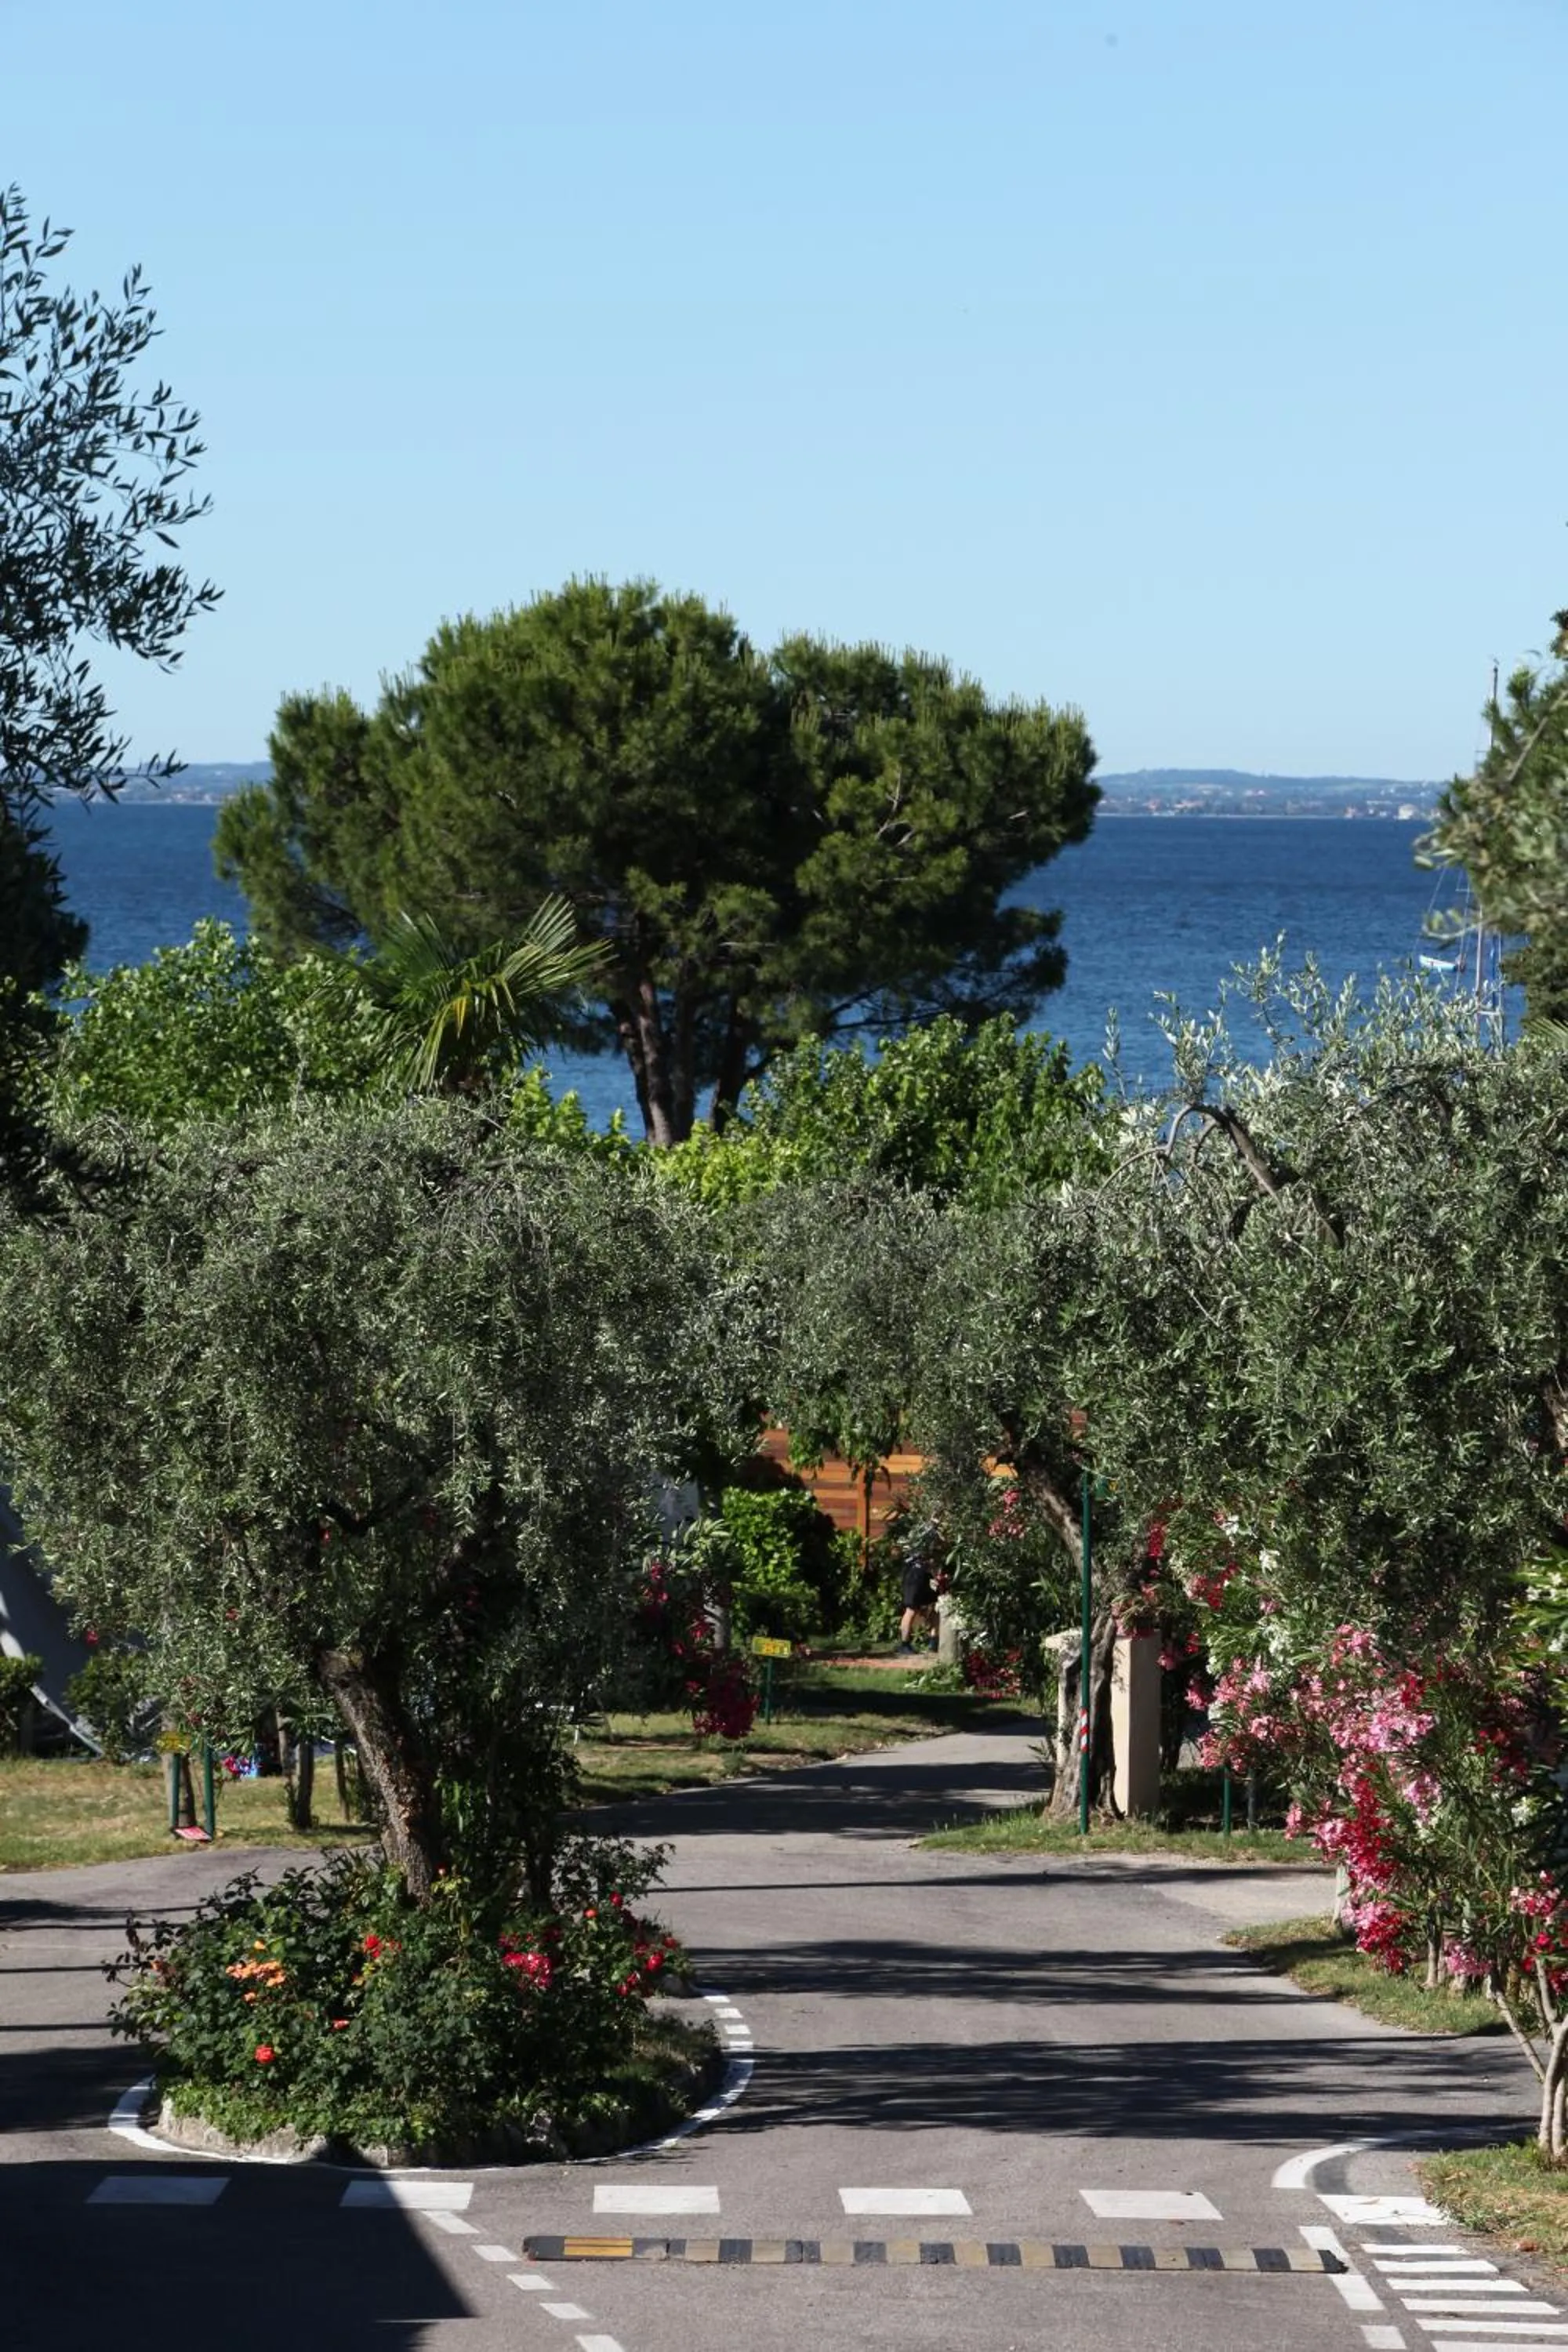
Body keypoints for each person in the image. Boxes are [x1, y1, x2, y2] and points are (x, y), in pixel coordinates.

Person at [898, 1539, 939, 1654]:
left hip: (923, 1573)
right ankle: (906, 1644)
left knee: (935, 1606)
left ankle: (932, 1641)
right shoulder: (925, 1533)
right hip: (919, 1573)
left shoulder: (928, 1533)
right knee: (914, 1609)